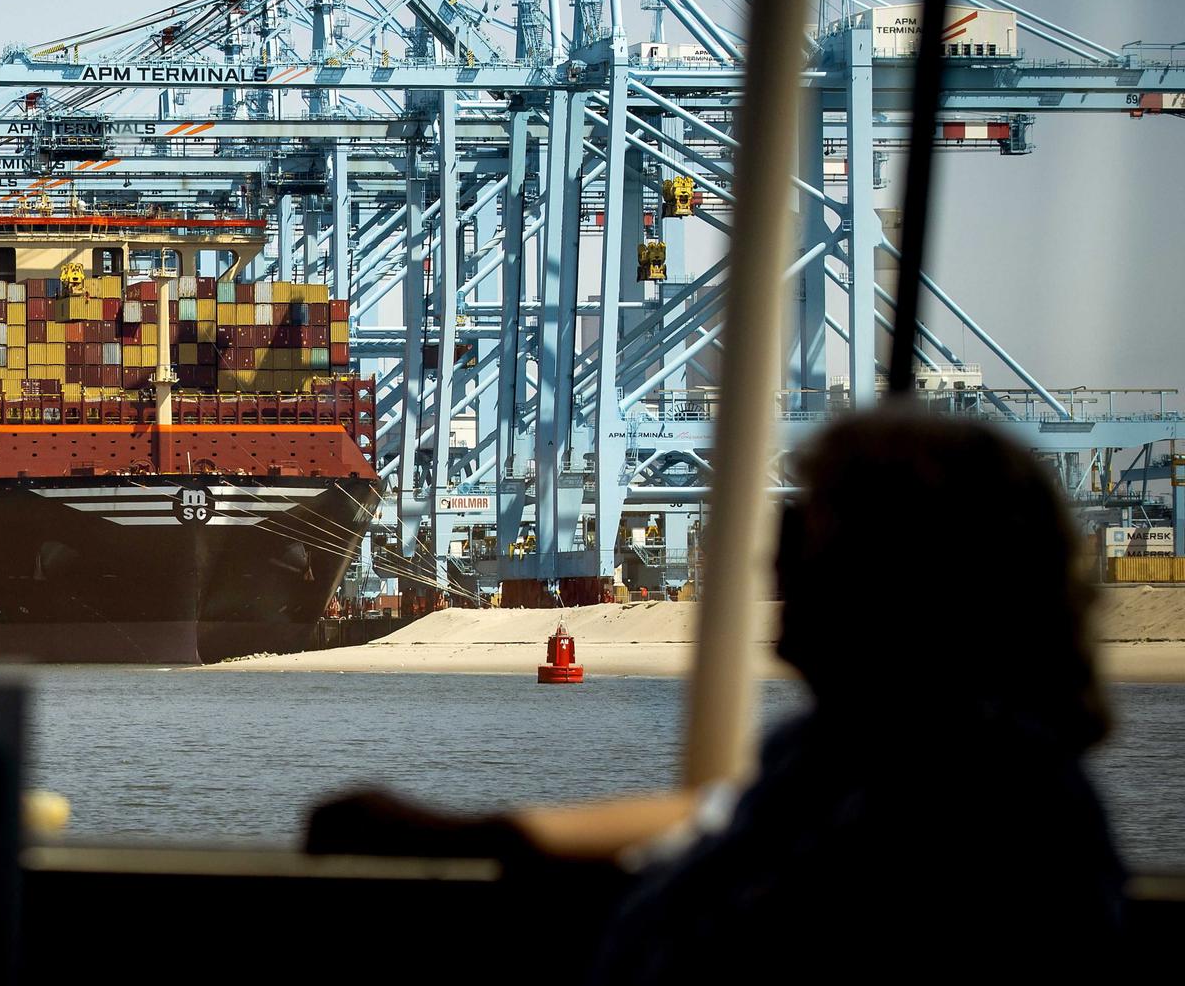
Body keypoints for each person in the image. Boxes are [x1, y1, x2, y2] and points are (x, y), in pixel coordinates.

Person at [306, 408, 1125, 978]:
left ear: (914, 576)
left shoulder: (977, 797)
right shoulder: (865, 751)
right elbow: (721, 813)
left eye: (811, 529)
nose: (777, 560)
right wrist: (472, 832)